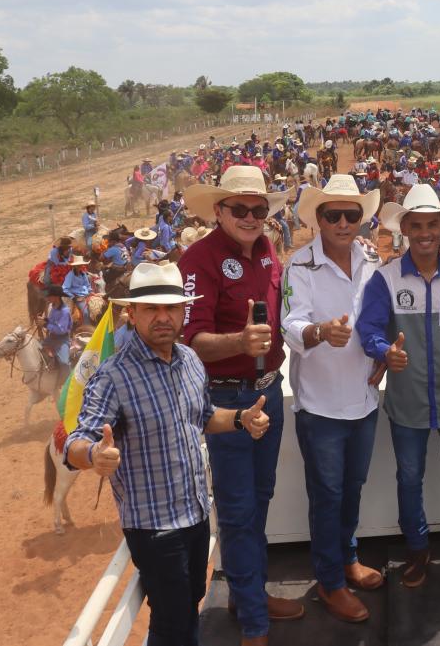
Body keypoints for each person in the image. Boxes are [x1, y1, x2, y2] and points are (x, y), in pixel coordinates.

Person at [63, 262, 272, 646]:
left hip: (193, 513)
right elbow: (75, 441)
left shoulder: (191, 361)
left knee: (186, 606)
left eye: (171, 308)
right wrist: (93, 455)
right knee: (175, 622)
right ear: (132, 314)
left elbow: (203, 417)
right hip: (154, 526)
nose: (163, 317)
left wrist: (241, 418)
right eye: (151, 309)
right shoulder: (114, 376)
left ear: (182, 312)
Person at [179, 166, 302, 644]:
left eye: (259, 209)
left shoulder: (269, 249)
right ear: (219, 210)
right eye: (241, 209)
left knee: (261, 497)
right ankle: (254, 621)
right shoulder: (199, 260)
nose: (252, 217)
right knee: (237, 508)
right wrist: (239, 340)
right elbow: (191, 342)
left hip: (268, 389)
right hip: (227, 397)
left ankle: (245, 592)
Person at [355, 185, 440, 588]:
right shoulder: (386, 278)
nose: (426, 232)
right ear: (405, 228)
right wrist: (383, 352)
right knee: (408, 476)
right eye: (418, 225)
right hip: (407, 398)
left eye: (433, 224)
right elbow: (369, 329)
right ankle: (417, 549)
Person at [281, 174, 385, 623]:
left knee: (352, 488)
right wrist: (320, 332)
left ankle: (347, 558)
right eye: (333, 215)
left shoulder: (370, 259)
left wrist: (383, 353)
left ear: (362, 219)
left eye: (351, 214)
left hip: (363, 397)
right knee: (327, 494)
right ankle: (330, 581)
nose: (343, 223)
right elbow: (291, 323)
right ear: (319, 219)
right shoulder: (300, 266)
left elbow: (377, 321)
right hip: (321, 404)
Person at [41, 286, 72, 378]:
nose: (48, 298)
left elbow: (61, 330)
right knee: (38, 349)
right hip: (51, 338)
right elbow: (52, 322)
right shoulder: (53, 307)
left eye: (50, 296)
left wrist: (46, 325)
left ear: (56, 297)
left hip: (62, 339)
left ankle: (68, 381)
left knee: (64, 362)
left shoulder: (65, 311)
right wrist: (45, 321)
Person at [62, 256, 94, 323]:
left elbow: (87, 284)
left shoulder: (83, 274)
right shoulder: (70, 275)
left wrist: (90, 291)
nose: (80, 266)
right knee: (85, 313)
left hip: (87, 295)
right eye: (78, 265)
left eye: (81, 265)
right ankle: (86, 329)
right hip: (78, 297)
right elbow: (64, 288)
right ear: (75, 266)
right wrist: (73, 297)